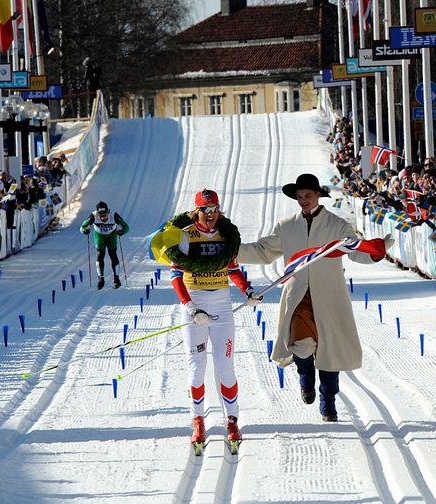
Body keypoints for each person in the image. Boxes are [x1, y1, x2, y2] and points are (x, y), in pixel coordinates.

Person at [237, 174, 391, 422]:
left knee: (330, 355)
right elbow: (262, 251)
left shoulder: (336, 226)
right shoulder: (287, 226)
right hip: (298, 295)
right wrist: (231, 251)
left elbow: (355, 250)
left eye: (307, 196)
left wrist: (374, 254)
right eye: (299, 197)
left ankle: (328, 403)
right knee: (301, 345)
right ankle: (306, 376)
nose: (303, 201)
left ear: (318, 195)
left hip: (330, 296)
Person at [166, 189, 261, 451]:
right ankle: (198, 420)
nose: (210, 215)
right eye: (205, 210)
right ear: (196, 211)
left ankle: (232, 420)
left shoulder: (225, 235)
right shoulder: (185, 235)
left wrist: (248, 291)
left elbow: (231, 268)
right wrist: (190, 306)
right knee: (197, 367)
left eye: (215, 209)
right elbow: (175, 275)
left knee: (225, 366)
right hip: (195, 305)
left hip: (221, 306)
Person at [80, 201, 129, 290]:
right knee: (100, 255)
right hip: (99, 236)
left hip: (111, 235)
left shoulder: (113, 215)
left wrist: (122, 231)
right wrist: (84, 230)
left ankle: (116, 279)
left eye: (104, 215)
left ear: (108, 212)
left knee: (113, 255)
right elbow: (82, 227)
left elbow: (126, 227)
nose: (102, 217)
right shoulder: (93, 216)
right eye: (100, 216)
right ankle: (101, 279)